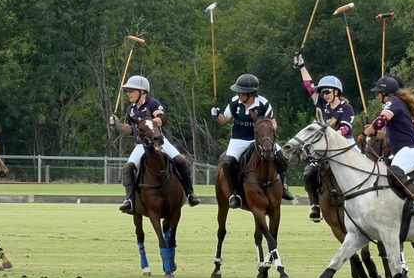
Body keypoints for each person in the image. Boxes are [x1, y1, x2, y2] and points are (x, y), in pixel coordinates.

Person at [110, 75, 200, 213]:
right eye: (127, 91)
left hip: (159, 142)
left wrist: (151, 122)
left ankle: (190, 193)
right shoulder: (131, 109)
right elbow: (131, 130)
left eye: (131, 90)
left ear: (142, 91)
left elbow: (162, 118)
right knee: (128, 168)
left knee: (180, 160)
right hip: (141, 145)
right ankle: (129, 200)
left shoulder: (153, 103)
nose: (128, 93)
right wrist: (117, 124)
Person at [211, 73, 294, 209]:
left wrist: (268, 134)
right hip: (239, 139)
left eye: (241, 92)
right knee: (227, 163)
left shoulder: (263, 103)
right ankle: (234, 195)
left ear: (251, 93)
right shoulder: (234, 102)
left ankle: (283, 186)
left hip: (260, 140)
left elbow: (273, 122)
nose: (238, 94)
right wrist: (216, 115)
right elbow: (224, 120)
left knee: (281, 156)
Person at [292, 50, 355, 222]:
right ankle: (315, 205)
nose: (324, 95)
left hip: (345, 145)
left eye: (327, 92)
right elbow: (308, 86)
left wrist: (330, 137)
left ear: (336, 91)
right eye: (323, 92)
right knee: (309, 172)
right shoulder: (322, 104)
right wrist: (302, 66)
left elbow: (345, 129)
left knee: (364, 166)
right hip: (326, 147)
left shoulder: (346, 108)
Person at [363, 75, 414, 216]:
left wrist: (367, 131)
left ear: (384, 93)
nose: (377, 96)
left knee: (394, 172)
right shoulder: (398, 102)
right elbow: (387, 134)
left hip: (412, 149)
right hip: (406, 148)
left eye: (378, 93)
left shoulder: (393, 101)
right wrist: (374, 134)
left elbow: (380, 121)